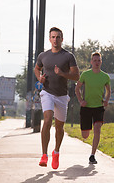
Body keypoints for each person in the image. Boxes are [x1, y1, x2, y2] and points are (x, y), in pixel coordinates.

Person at [34, 27, 79, 169]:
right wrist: (39, 78)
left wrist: (62, 74)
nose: (55, 39)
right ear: (49, 39)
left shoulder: (68, 56)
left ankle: (56, 152)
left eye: (58, 37)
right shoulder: (43, 55)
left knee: (59, 127)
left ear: (62, 39)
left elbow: (76, 76)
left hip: (62, 96)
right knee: (47, 121)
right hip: (47, 92)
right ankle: (44, 155)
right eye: (53, 37)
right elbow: (36, 68)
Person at [75, 52, 111, 164]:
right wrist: (81, 101)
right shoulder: (85, 74)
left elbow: (108, 91)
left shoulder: (105, 76)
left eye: (98, 60)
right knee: (85, 135)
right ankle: (87, 131)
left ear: (101, 62)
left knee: (97, 128)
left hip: (99, 107)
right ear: (91, 62)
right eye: (94, 60)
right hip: (86, 107)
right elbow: (77, 89)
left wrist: (106, 101)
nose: (96, 62)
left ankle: (92, 155)